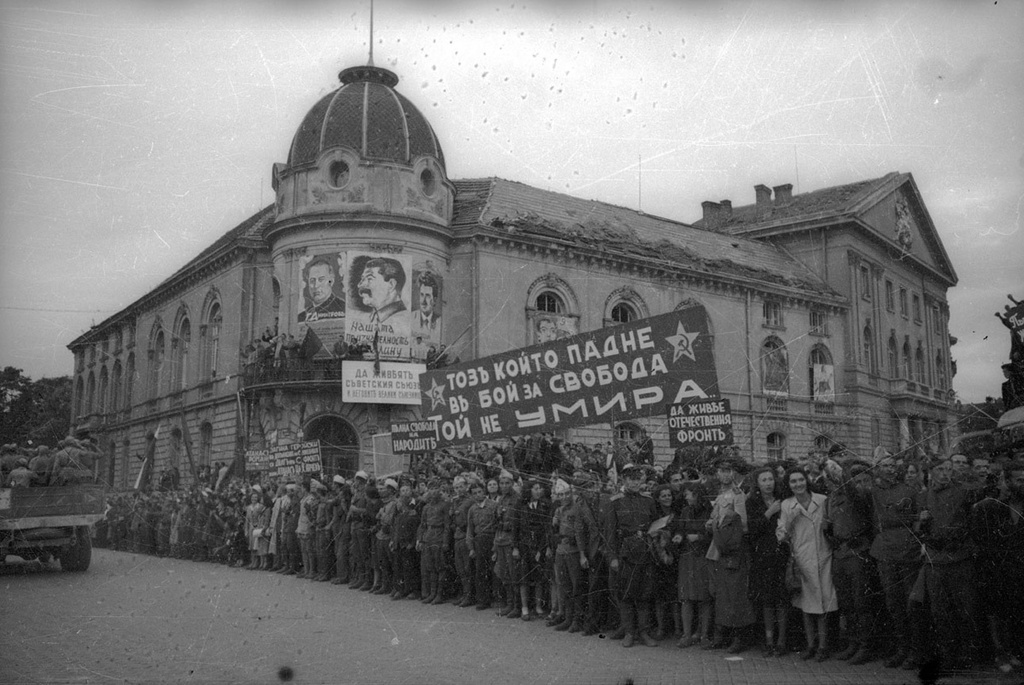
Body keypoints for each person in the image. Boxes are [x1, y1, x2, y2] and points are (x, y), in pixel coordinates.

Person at [915, 456, 980, 672]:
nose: (945, 473)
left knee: (964, 609)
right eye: (941, 469)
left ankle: (966, 656)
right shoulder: (924, 496)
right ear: (931, 472)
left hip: (959, 559)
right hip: (936, 561)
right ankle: (947, 657)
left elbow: (972, 522)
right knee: (940, 612)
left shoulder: (963, 492)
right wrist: (921, 522)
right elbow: (919, 529)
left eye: (948, 469)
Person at [777, 467, 838, 662]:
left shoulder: (821, 500)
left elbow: (832, 524)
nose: (798, 484)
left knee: (823, 602)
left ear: (806, 480)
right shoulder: (787, 505)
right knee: (807, 604)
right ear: (789, 485)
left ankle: (823, 646)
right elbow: (781, 535)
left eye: (800, 480)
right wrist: (789, 523)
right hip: (802, 560)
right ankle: (811, 645)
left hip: (824, 555)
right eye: (793, 482)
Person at [823, 460, 875, 664]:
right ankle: (853, 643)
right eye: (828, 478)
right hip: (840, 553)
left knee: (861, 602)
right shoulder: (831, 499)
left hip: (857, 552)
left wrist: (841, 470)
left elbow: (852, 491)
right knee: (847, 603)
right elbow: (828, 525)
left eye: (832, 477)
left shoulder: (857, 495)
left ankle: (865, 646)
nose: (829, 481)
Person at [606, 463, 659, 648]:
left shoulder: (648, 501)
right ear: (624, 480)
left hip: (645, 551)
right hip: (625, 553)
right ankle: (629, 633)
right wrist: (612, 557)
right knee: (626, 594)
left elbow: (655, 524)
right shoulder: (615, 501)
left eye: (638, 479)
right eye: (631, 479)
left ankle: (644, 632)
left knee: (645, 594)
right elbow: (610, 533)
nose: (635, 482)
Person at [746, 467, 790, 657]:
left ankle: (782, 642)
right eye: (763, 480)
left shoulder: (783, 500)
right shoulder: (752, 503)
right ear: (757, 483)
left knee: (781, 599)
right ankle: (769, 640)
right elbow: (752, 530)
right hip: (762, 556)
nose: (768, 483)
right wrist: (769, 512)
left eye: (770, 479)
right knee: (766, 600)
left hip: (781, 554)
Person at [512, 479, 551, 620]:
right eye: (535, 488)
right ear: (529, 490)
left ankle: (538, 606)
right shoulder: (520, 506)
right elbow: (515, 528)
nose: (538, 491)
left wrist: (542, 549)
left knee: (539, 578)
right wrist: (515, 547)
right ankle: (524, 608)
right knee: (524, 578)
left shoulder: (545, 506)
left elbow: (547, 529)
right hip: (524, 546)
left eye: (540, 488)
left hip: (539, 545)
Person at [466, 480, 499, 610]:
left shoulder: (493, 505)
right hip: (479, 541)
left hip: (492, 539)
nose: (478, 495)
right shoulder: (472, 509)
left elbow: (497, 526)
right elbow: (470, 529)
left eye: (480, 492)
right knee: (480, 571)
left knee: (494, 570)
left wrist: (496, 546)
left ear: (484, 492)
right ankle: (483, 600)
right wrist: (471, 547)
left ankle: (497, 598)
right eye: (475, 493)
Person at [357, 257, 407, 324]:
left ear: (391, 285)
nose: (360, 285)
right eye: (363, 279)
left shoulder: (402, 319)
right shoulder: (373, 318)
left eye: (369, 278)